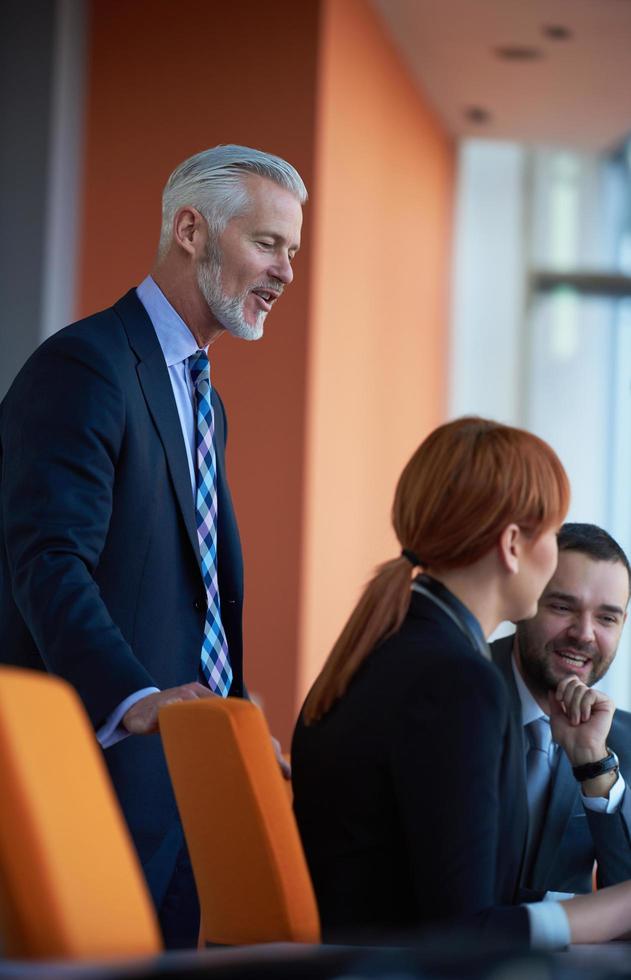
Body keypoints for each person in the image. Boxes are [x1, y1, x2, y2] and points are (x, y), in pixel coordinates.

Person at [0, 144, 306, 948]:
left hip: (187, 786)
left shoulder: (207, 400)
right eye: (268, 243)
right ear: (190, 230)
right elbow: (47, 561)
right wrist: (138, 704)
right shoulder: (86, 366)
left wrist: (231, 713)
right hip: (95, 780)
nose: (286, 271)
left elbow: (193, 583)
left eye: (292, 252)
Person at [291, 417, 631, 948]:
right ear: (514, 544)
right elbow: (462, 929)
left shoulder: (393, 647)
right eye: (550, 532)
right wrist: (619, 908)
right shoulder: (456, 683)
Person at [490, 523, 631, 898]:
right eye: (563, 606)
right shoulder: (461, 690)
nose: (584, 633)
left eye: (606, 618)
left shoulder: (620, 740)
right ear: (525, 601)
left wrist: (593, 764)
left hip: (567, 958)